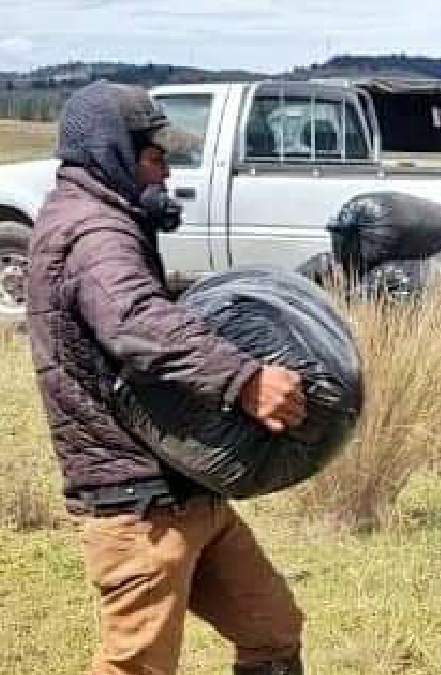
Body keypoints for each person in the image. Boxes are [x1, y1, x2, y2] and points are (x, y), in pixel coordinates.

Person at [27, 81, 309, 675]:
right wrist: (244, 378)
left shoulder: (108, 223)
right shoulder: (93, 235)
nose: (163, 176)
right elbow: (136, 320)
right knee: (138, 666)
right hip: (137, 506)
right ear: (111, 154)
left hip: (183, 487)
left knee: (273, 630)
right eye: (154, 159)